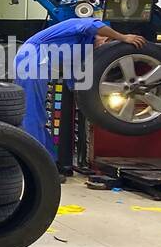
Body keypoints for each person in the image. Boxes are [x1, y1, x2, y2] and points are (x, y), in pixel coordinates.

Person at [11, 16, 147, 156]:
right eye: (106, 42)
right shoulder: (79, 25)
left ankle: (50, 162)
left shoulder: (84, 50)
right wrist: (123, 38)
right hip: (33, 59)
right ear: (105, 36)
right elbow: (92, 25)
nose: (101, 48)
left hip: (39, 64)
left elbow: (76, 82)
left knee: (37, 116)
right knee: (31, 114)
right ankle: (38, 164)